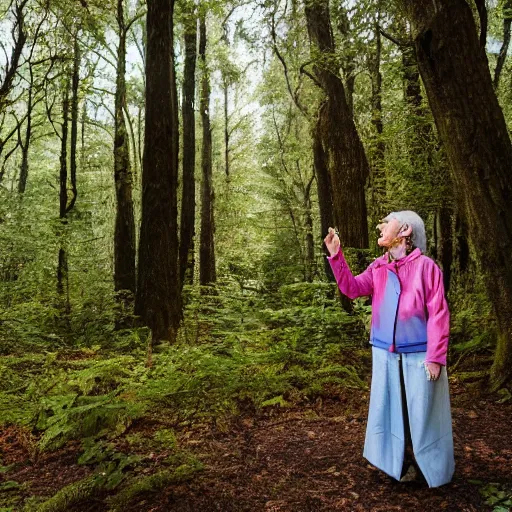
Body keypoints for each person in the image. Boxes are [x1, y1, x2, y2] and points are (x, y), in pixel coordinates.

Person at [324, 211, 454, 488]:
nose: (380, 225)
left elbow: (439, 313)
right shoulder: (378, 267)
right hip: (385, 352)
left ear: (405, 231)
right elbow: (352, 288)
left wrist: (435, 357)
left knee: (421, 412)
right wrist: (337, 257)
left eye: (389, 221)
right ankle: (397, 464)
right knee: (390, 411)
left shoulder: (427, 267)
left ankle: (429, 468)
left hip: (419, 354)